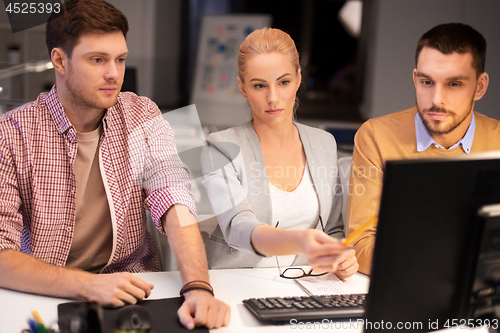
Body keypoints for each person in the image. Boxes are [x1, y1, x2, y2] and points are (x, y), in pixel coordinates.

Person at [0, 0, 229, 330]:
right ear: (60, 61)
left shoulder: (142, 114)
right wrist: (86, 285)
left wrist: (198, 287)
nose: (114, 73)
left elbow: (176, 200)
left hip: (133, 289)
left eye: (120, 59)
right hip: (47, 294)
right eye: (98, 60)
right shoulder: (11, 135)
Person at [201, 28, 358, 279]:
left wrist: (341, 256)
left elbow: (333, 230)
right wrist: (300, 240)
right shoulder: (220, 148)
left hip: (306, 282)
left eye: (283, 82)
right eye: (259, 85)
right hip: (236, 282)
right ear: (242, 87)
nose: (273, 98)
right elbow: (239, 227)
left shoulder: (323, 144)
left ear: (298, 79)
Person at [346, 22, 500, 275]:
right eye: (427, 82)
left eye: (454, 84)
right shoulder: (376, 136)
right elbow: (360, 245)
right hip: (409, 287)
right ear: (415, 79)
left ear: (480, 87)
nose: (436, 99)